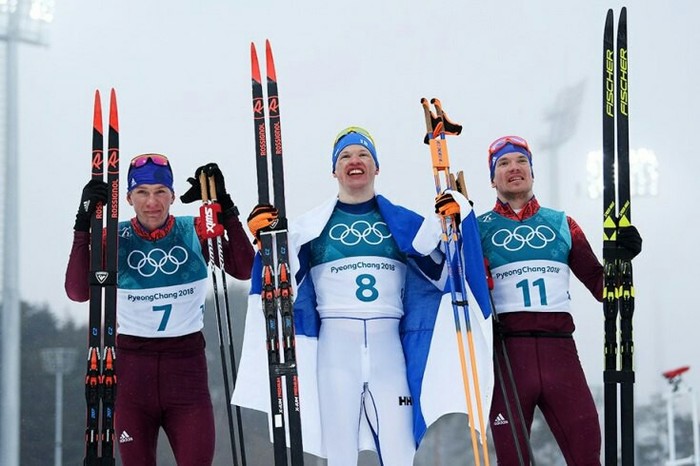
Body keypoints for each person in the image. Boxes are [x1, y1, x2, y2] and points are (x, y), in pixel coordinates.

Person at [234, 127, 480, 466]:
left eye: (364, 155)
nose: (355, 162)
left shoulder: (404, 225)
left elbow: (444, 275)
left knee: (400, 452)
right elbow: (282, 282)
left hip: (388, 349)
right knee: (339, 454)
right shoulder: (311, 229)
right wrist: (267, 241)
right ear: (334, 170)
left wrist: (458, 218)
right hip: (337, 351)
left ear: (376, 167)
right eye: (346, 156)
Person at [438, 135, 643, 464]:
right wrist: (454, 232)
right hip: (507, 355)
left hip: (559, 351)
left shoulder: (563, 224)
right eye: (502, 164)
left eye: (520, 161)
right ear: (492, 179)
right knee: (513, 458)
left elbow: (602, 287)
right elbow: (456, 284)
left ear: (532, 172)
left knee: (586, 452)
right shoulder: (477, 229)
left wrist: (623, 258)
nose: (513, 168)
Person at [65, 155, 254, 466]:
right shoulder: (113, 238)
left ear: (173, 195)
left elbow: (245, 269)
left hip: (187, 373)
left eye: (160, 191)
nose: (152, 202)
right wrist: (82, 227)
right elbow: (77, 291)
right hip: (131, 375)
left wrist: (227, 207)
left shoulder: (193, 231)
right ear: (128, 198)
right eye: (142, 192)